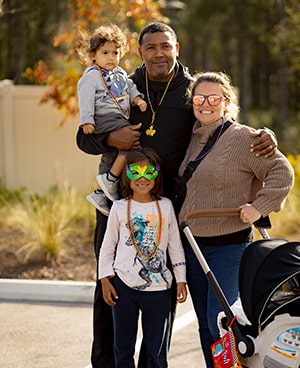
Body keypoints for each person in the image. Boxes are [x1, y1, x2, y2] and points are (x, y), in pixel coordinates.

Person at [76, 22, 277, 368]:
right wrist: (112, 140)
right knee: (109, 289)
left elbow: (222, 122)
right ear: (140, 52)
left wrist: (266, 133)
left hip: (168, 211)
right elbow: (83, 138)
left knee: (160, 295)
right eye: (150, 47)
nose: (158, 53)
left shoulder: (190, 90)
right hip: (117, 207)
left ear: (177, 48)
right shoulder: (122, 82)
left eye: (165, 46)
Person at [177, 71, 295, 368]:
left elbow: (282, 171)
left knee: (222, 322)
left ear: (226, 102)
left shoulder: (243, 137)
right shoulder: (189, 139)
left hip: (229, 246)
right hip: (192, 244)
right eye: (200, 98)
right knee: (206, 325)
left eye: (214, 98)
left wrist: (259, 207)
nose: (206, 103)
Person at [99, 147, 187, 368]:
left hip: (158, 290)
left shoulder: (165, 206)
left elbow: (175, 245)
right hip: (123, 287)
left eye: (148, 172)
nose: (141, 178)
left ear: (156, 175)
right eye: (135, 172)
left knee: (157, 350)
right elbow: (108, 246)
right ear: (127, 175)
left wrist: (181, 279)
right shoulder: (119, 208)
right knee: (123, 348)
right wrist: (105, 279)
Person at [77, 23, 147, 216]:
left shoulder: (121, 74)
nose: (111, 57)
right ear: (93, 55)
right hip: (104, 118)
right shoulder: (91, 76)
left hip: (118, 116)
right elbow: (85, 98)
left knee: (111, 155)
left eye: (115, 53)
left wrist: (137, 98)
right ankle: (110, 179)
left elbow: (129, 87)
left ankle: (101, 191)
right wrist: (87, 120)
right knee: (131, 141)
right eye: (105, 53)